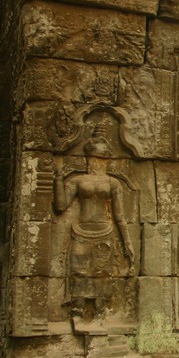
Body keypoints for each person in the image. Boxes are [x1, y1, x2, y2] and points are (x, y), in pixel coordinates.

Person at [54, 127, 134, 324]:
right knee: (79, 271)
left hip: (105, 230)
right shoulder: (78, 180)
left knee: (102, 272)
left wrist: (127, 242)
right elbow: (61, 205)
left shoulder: (113, 183)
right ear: (87, 158)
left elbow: (120, 217)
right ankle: (77, 311)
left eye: (101, 160)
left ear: (107, 160)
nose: (96, 163)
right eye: (93, 159)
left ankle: (99, 312)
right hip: (80, 230)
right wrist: (58, 179)